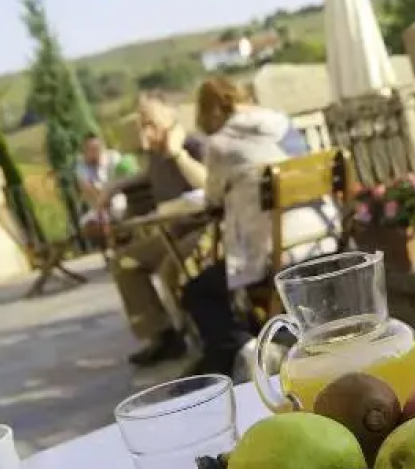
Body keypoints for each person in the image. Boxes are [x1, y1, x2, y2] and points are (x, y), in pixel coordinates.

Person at [179, 77, 337, 377]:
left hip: (278, 252)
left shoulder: (220, 144)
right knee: (221, 282)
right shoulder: (282, 123)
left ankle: (247, 349)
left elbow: (212, 198)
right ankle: (268, 339)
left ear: (208, 111)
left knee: (198, 292)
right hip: (324, 236)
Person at [112, 94, 208, 366]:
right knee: (125, 262)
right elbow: (146, 177)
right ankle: (161, 335)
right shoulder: (155, 156)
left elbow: (209, 184)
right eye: (142, 124)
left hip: (204, 229)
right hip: (171, 231)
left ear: (172, 119)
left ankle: (202, 337)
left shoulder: (193, 145)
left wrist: (179, 154)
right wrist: (114, 187)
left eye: (151, 123)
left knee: (171, 268)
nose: (146, 130)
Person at [72, 133, 128, 249]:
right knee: (88, 225)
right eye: (90, 149)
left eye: (97, 148)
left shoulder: (113, 158)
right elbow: (87, 189)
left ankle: (120, 243)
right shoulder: (82, 165)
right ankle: (110, 247)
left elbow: (119, 182)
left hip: (119, 200)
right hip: (99, 205)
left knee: (113, 216)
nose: (94, 152)